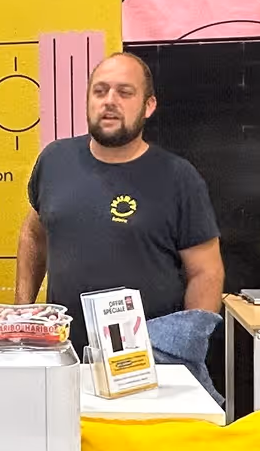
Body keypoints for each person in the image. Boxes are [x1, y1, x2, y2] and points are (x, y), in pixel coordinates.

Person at [15, 51, 226, 392]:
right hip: (64, 361)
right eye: (100, 91)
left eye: (125, 92)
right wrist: (21, 313)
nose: (109, 101)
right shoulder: (54, 161)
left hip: (147, 368)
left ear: (148, 105)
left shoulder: (178, 178)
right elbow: (33, 233)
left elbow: (206, 271)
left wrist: (184, 353)